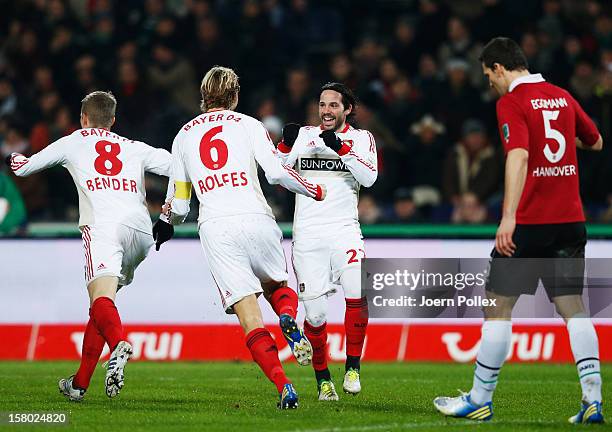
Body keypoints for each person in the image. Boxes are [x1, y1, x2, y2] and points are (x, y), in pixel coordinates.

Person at [434, 37, 604, 423]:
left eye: (488, 75)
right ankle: (593, 399)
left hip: (531, 223)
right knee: (572, 307)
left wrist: (508, 216)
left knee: (496, 306)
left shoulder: (512, 102)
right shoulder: (561, 96)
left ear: (498, 67)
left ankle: (479, 398)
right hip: (571, 222)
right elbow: (595, 142)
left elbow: (520, 155)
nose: (490, 83)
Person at [153, 66, 326, 409]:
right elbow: (276, 173)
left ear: (204, 97)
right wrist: (313, 189)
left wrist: (165, 222)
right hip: (255, 216)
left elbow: (182, 202)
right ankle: (289, 319)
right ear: (234, 96)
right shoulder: (250, 125)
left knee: (249, 317)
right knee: (277, 286)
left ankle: (284, 387)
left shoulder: (183, 136)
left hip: (216, 227)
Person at [6, 91, 172, 401]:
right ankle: (79, 384)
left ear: (83, 119)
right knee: (100, 306)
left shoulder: (74, 140)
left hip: (104, 227)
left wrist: (10, 157)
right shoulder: (133, 146)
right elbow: (179, 167)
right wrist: (172, 210)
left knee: (101, 301)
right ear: (112, 120)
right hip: (141, 229)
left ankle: (119, 343)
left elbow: (23, 167)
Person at [278, 82, 378, 401]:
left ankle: (352, 367)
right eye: (322, 105)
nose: (326, 111)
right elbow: (275, 173)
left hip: (344, 230)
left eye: (333, 105)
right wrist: (283, 144)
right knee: (317, 316)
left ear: (347, 109)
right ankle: (323, 380)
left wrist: (341, 148)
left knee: (356, 290)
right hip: (307, 236)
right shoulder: (305, 137)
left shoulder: (361, 139)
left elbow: (369, 178)